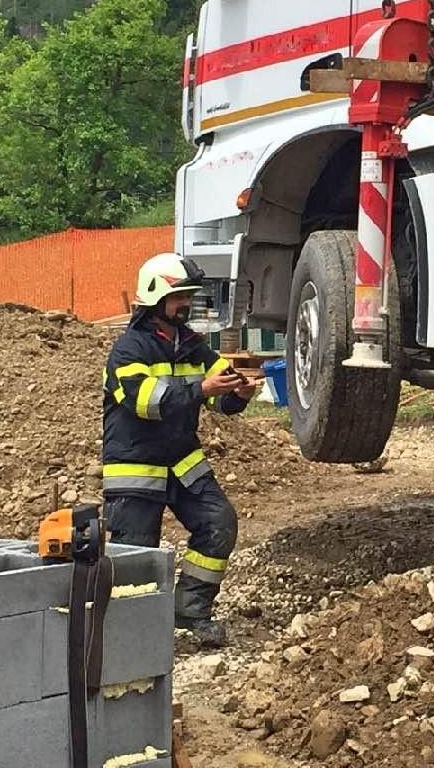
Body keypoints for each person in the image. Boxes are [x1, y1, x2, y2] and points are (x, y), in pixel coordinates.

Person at [102, 253, 256, 647]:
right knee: (136, 559)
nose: (187, 303)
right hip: (136, 469)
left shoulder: (192, 346)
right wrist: (202, 389)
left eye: (188, 295)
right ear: (155, 298)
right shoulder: (127, 351)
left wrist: (238, 393)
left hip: (183, 463)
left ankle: (191, 612)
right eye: (179, 296)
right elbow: (145, 403)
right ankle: (133, 638)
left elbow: (220, 399)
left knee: (219, 523)